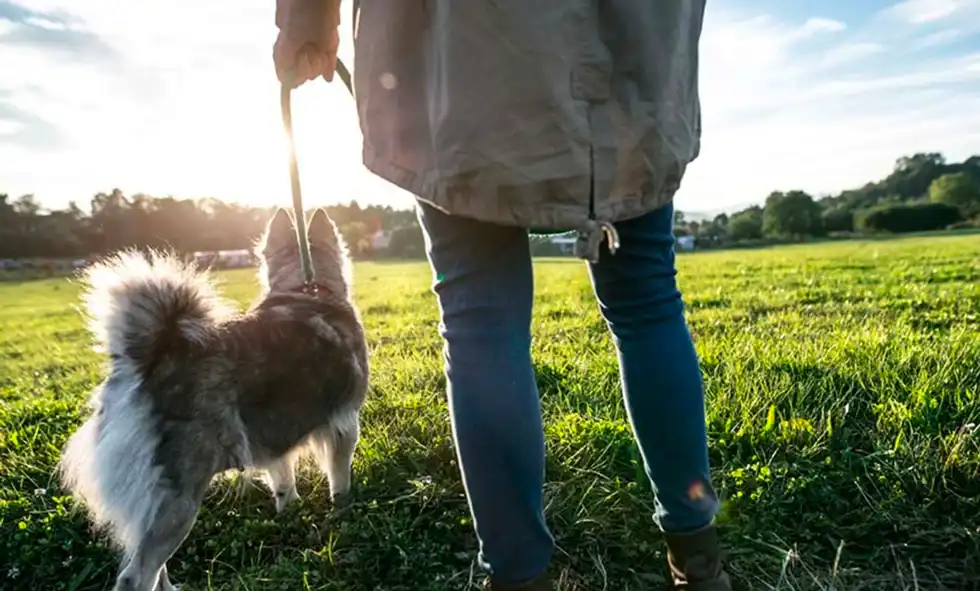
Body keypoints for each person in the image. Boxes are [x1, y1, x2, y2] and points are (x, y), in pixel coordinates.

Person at [273, 1, 731, 589]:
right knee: (645, 297)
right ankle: (697, 556)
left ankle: (517, 574)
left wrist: (307, 18)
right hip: (629, 35)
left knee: (481, 319)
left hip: (464, 39)